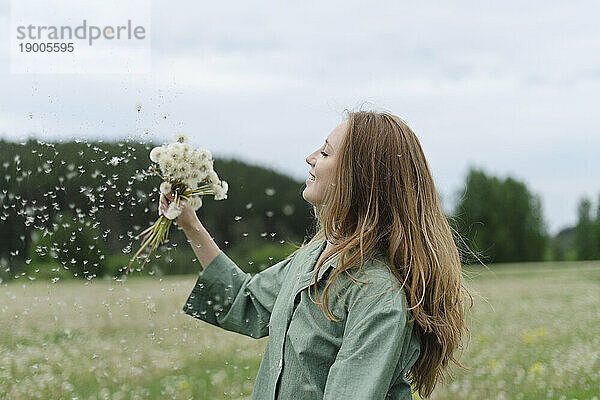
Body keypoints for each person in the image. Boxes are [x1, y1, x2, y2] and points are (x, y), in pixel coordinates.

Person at [159, 110, 472, 399]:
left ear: (358, 177)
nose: (309, 158)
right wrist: (188, 222)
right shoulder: (313, 257)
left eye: (325, 152)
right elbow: (246, 301)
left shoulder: (378, 294)